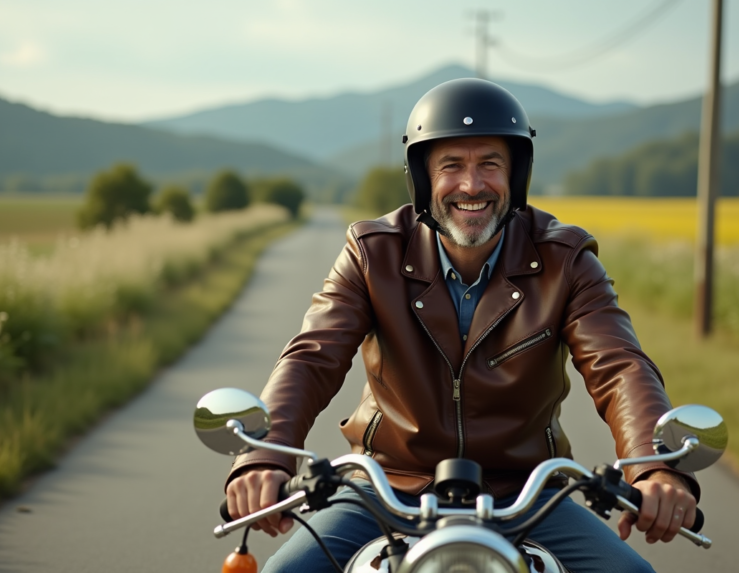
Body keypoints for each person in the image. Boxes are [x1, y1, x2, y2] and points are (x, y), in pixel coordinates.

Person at [224, 78, 698, 572]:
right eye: (451, 165)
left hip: (525, 494)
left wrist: (654, 466)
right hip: (387, 486)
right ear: (423, 178)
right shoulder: (372, 252)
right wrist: (264, 458)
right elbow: (311, 356)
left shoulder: (566, 259)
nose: (471, 185)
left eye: (489, 164)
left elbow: (619, 367)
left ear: (516, 175)